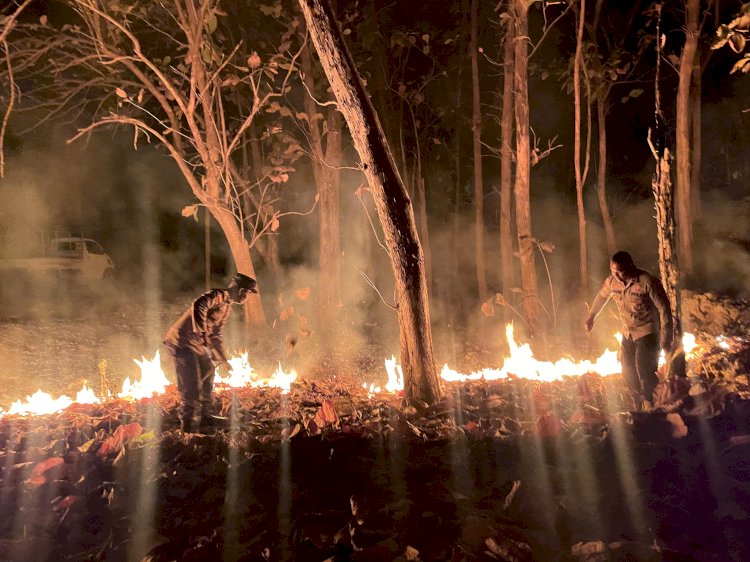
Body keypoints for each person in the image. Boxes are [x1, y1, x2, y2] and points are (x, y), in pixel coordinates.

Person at [164, 273, 258, 432]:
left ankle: (205, 418)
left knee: (208, 373)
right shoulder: (218, 295)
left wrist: (223, 360)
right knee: (192, 382)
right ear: (241, 290)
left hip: (198, 345)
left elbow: (216, 335)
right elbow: (199, 305)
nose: (247, 298)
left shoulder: (227, 307)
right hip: (183, 342)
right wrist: (201, 333)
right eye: (247, 293)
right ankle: (187, 424)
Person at [584, 251, 673, 408]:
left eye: (620, 271)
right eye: (613, 271)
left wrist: (666, 336)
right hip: (628, 332)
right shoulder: (612, 282)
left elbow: (664, 308)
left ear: (631, 266)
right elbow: (602, 296)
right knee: (627, 369)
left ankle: (651, 403)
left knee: (644, 370)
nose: (617, 275)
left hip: (648, 332)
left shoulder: (647, 281)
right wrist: (592, 316)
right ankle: (637, 401)